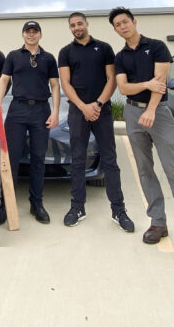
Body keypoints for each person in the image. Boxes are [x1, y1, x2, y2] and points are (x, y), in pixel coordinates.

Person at [109, 6, 174, 265]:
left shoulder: (157, 46)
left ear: (134, 22)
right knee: (144, 171)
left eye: (125, 21)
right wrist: (145, 85)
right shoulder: (121, 56)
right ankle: (158, 222)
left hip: (157, 113)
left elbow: (160, 83)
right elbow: (124, 87)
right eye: (117, 24)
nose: (122, 26)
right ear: (115, 29)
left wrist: (150, 108)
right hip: (131, 113)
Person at [58, 12, 134, 231]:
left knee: (110, 160)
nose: (76, 27)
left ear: (87, 24)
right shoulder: (65, 52)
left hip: (103, 111)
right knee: (78, 160)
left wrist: (98, 105)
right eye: (72, 25)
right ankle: (77, 207)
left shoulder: (104, 48)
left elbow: (111, 79)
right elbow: (66, 83)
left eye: (79, 23)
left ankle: (118, 211)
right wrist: (83, 107)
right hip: (77, 111)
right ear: (70, 28)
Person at [0, 21, 60, 224]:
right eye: (27, 32)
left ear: (40, 34)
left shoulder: (49, 58)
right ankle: (6, 204)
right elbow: (4, 80)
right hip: (18, 109)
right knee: (10, 159)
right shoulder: (13, 56)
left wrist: (56, 111)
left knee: (38, 159)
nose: (31, 35)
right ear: (23, 35)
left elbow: (55, 86)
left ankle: (36, 204)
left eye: (35, 32)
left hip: (41, 110)